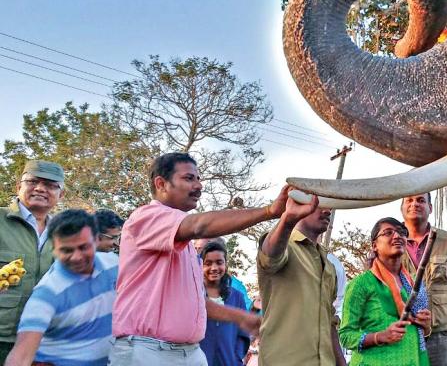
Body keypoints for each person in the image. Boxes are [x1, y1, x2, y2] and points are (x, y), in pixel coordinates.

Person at [110, 152, 293, 365]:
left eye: (198, 178)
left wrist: (242, 317)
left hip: (189, 352)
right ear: (161, 183)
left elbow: (197, 303)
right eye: (189, 178)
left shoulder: (185, 245)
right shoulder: (146, 217)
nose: (199, 185)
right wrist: (269, 211)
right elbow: (200, 225)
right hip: (148, 351)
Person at [5, 209, 118, 366]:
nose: (77, 257)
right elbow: (21, 355)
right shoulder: (47, 295)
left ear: (96, 240)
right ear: (54, 249)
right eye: (66, 250)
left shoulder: (114, 265)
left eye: (84, 247)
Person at [258, 204, 347, 365]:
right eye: (318, 205)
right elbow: (271, 255)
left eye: (330, 207)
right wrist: (287, 219)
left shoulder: (329, 265)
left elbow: (329, 321)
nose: (328, 211)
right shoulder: (282, 245)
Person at [340, 217, 432, 366]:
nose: (397, 236)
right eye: (388, 232)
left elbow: (421, 332)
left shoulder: (414, 284)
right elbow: (345, 336)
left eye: (401, 232)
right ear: (374, 245)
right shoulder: (361, 284)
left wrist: (426, 325)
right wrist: (380, 336)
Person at [0, 160, 64, 363]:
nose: (40, 188)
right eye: (33, 181)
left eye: (50, 185)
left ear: (61, 194)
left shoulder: (65, 233)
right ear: (19, 186)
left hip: (40, 344)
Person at [400, 193, 447, 366]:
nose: (414, 204)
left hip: (438, 337)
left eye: (421, 200)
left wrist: (440, 313)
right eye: (409, 200)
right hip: (402, 334)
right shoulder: (392, 241)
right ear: (401, 209)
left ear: (430, 208)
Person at [199, 241, 250, 366]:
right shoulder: (194, 295)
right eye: (208, 263)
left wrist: (236, 358)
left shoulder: (237, 297)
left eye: (219, 262)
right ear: (200, 265)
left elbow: (243, 334)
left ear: (225, 265)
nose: (214, 268)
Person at [194, 237, 252, 310]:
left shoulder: (236, 293)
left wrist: (256, 309)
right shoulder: (192, 290)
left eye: (200, 249)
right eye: (195, 248)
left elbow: (247, 314)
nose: (214, 268)